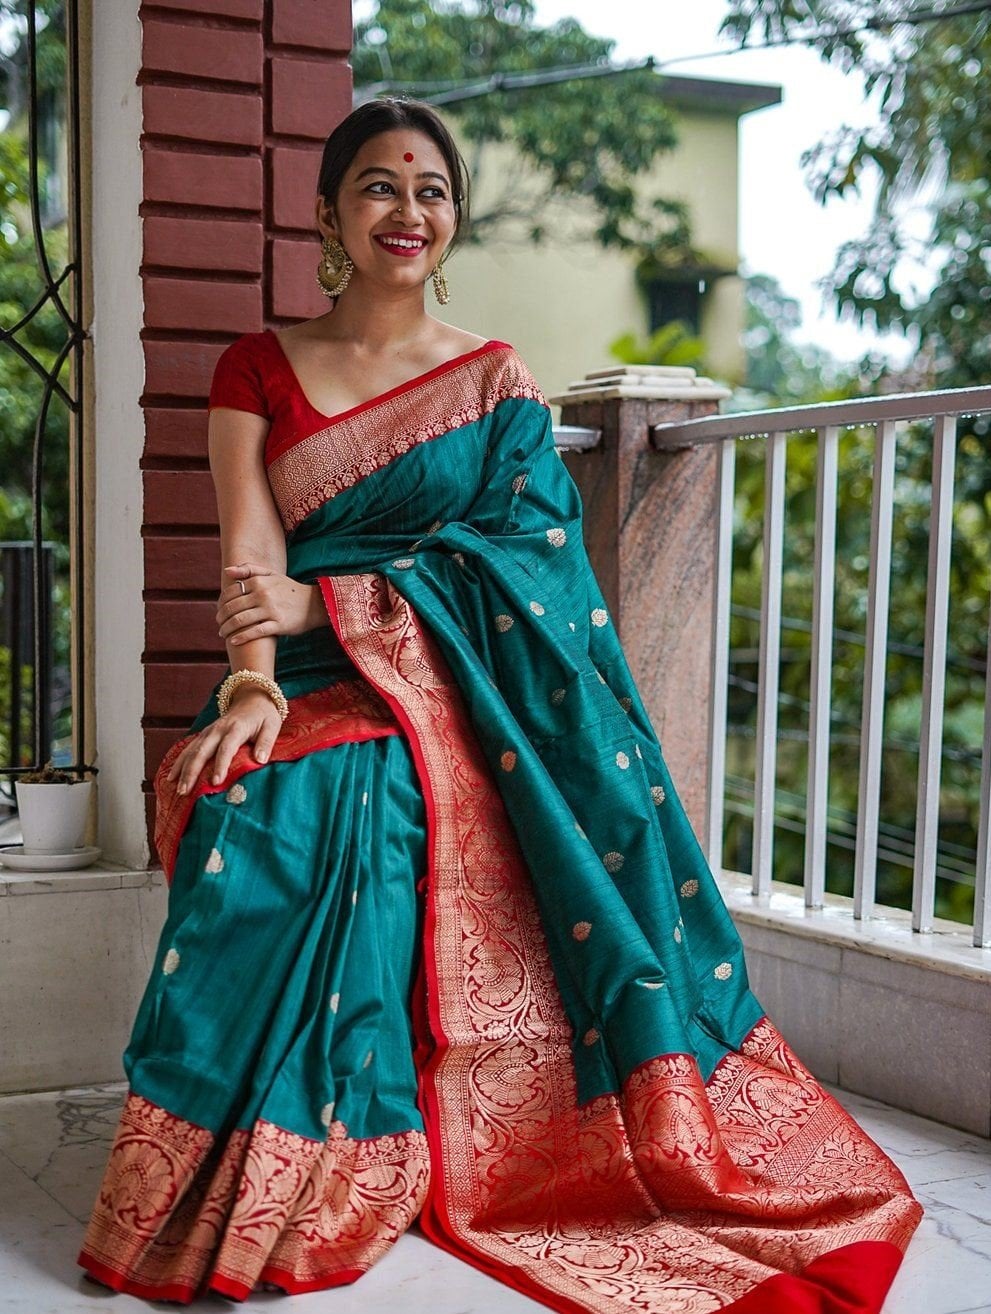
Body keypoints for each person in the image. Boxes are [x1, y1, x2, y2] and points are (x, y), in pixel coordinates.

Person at [77, 97, 922, 1311]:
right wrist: (252, 683)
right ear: (328, 214)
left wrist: (341, 604)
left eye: (430, 190)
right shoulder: (256, 366)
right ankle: (226, 1165)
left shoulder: (491, 383)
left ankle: (342, 1155)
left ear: (453, 218)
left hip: (462, 690)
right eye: (378, 186)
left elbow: (532, 569)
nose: (406, 210)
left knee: (346, 789)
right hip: (303, 670)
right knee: (246, 792)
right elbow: (249, 561)